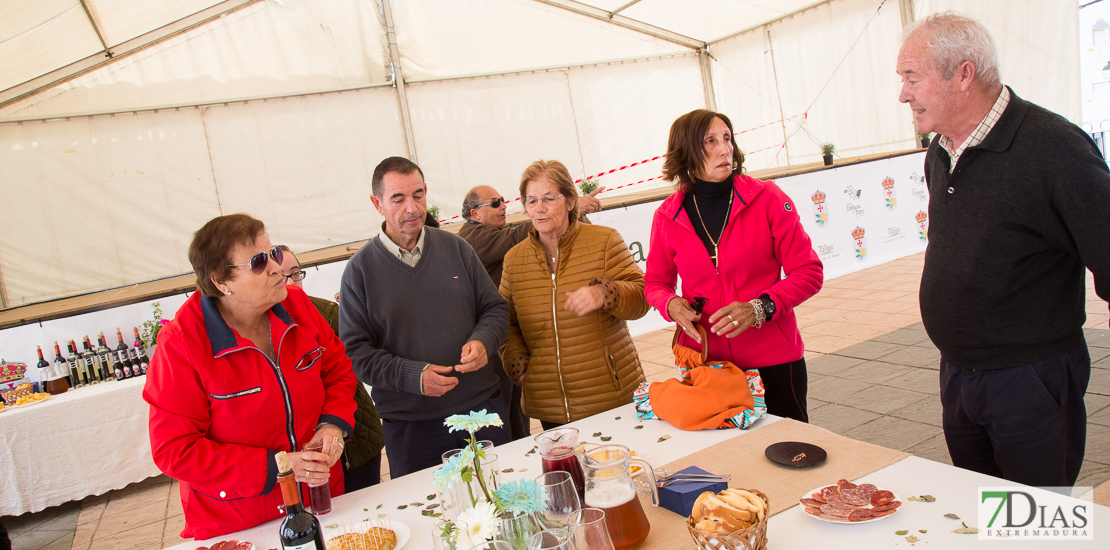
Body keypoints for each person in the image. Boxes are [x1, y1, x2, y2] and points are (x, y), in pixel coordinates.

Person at [898, 12, 1110, 487]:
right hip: (958, 373)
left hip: (1030, 379)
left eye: (913, 78)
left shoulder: (1054, 147)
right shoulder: (941, 150)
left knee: (1034, 519)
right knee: (981, 507)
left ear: (964, 74)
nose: (903, 93)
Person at [144, 214, 357, 540]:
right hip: (240, 521)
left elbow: (337, 371)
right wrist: (278, 467)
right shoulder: (181, 345)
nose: (276, 267)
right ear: (221, 281)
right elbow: (175, 450)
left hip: (320, 498)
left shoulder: (298, 305)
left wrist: (333, 424)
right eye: (258, 262)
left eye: (272, 253)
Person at [643, 109, 823, 423]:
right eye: (710, 141)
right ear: (686, 152)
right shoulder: (666, 217)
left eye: (727, 138)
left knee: (792, 452)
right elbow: (655, 283)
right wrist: (670, 304)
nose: (725, 148)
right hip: (708, 364)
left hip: (775, 362)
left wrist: (760, 308)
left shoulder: (767, 198)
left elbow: (809, 271)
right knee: (728, 458)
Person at [339, 157, 511, 478]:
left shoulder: (457, 249)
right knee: (430, 517)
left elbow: (495, 309)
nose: (412, 208)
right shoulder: (359, 272)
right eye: (398, 199)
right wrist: (414, 377)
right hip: (412, 429)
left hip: (482, 409)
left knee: (500, 503)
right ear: (378, 204)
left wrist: (483, 340)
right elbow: (356, 354)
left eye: (418, 195)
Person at [499, 160, 649, 429]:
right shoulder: (514, 259)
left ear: (570, 201)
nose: (539, 208)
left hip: (611, 397)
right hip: (550, 406)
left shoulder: (604, 241)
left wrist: (605, 294)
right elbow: (505, 323)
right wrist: (521, 368)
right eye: (531, 201)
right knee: (568, 472)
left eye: (548, 198)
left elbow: (641, 297)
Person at [457, 184, 603, 439]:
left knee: (516, 410)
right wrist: (560, 211)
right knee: (508, 413)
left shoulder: (484, 236)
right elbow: (515, 237)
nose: (503, 206)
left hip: (502, 341)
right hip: (493, 344)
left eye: (502, 200)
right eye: (494, 203)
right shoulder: (472, 237)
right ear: (474, 213)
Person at [278, 246, 384, 493]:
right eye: (280, 275)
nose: (289, 282)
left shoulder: (326, 312)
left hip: (356, 435)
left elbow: (351, 363)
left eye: (294, 274)